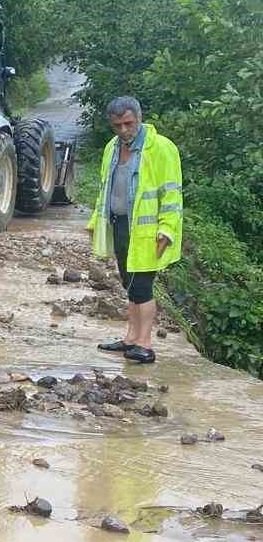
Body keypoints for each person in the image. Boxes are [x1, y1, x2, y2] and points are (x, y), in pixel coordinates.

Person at [88, 95, 182, 364]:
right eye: (117, 126)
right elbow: (104, 188)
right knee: (128, 284)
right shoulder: (112, 148)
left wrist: (167, 230)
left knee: (142, 286)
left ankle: (145, 344)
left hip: (147, 232)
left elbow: (172, 195)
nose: (123, 130)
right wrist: (96, 221)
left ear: (139, 118)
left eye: (128, 124)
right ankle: (130, 338)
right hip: (119, 225)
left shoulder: (161, 149)